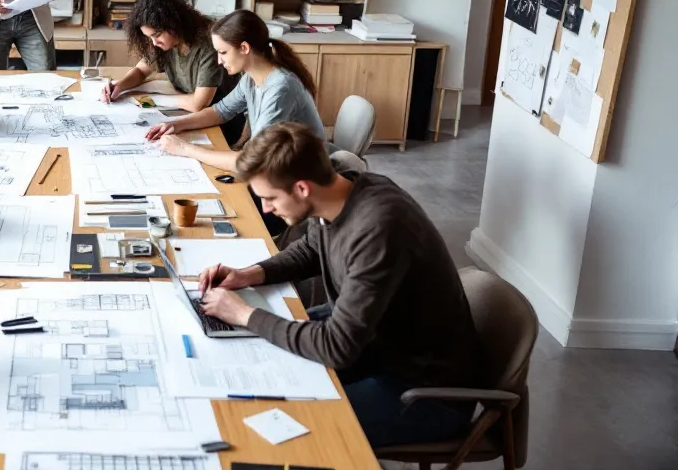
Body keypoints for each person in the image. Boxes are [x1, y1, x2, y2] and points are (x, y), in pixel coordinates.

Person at [195, 123, 480, 449]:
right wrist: (250, 274)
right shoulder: (340, 190)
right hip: (374, 346)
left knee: (281, 427)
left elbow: (337, 347)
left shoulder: (379, 228)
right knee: (252, 365)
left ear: (302, 188)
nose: (266, 209)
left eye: (270, 198)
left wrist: (244, 314)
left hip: (421, 391)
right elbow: (311, 248)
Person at [146, 9, 326, 174]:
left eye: (223, 52)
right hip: (278, 168)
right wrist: (175, 124)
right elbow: (220, 111)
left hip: (304, 175)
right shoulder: (250, 78)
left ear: (244, 48)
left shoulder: (281, 88)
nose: (219, 61)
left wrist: (184, 148)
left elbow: (253, 160)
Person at [101, 0, 239, 120]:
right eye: (149, 37)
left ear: (173, 25)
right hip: (189, 110)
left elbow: (199, 104)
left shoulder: (209, 44)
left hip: (220, 119)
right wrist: (120, 85)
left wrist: (151, 99)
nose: (154, 43)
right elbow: (141, 70)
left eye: (157, 35)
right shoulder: (166, 42)